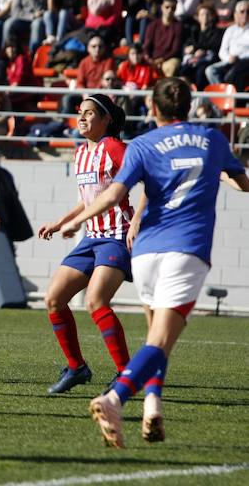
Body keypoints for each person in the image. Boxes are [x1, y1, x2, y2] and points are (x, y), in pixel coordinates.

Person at [60, 77, 249, 447]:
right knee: (161, 341)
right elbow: (241, 181)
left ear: (152, 108)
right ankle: (114, 398)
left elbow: (116, 193)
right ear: (190, 106)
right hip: (185, 251)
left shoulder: (144, 144)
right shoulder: (212, 140)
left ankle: (152, 406)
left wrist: (77, 221)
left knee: (154, 338)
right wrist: (219, 175)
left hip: (145, 251)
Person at [38, 95, 133, 394]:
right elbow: (86, 200)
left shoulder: (115, 148)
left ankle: (126, 374)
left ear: (106, 120)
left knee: (96, 301)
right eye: (80, 113)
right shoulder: (81, 153)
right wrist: (59, 222)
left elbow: (146, 177)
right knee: (53, 299)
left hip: (117, 236)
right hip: (91, 236)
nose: (82, 118)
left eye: (90, 113)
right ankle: (77, 367)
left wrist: (141, 220)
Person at [205, 0, 249, 88]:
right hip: (228, 61)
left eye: (248, 11)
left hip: (245, 61)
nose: (245, 14)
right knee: (210, 70)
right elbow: (222, 51)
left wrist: (239, 57)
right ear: (235, 14)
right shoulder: (230, 30)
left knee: (234, 73)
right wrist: (229, 58)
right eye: (242, 11)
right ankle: (224, 95)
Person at [143, 0, 184, 78]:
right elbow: (147, 45)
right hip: (152, 59)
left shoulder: (178, 26)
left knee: (171, 66)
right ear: (162, 7)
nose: (170, 10)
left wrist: (161, 60)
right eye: (167, 7)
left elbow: (175, 50)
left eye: (173, 8)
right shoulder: (152, 25)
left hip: (169, 59)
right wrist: (148, 58)